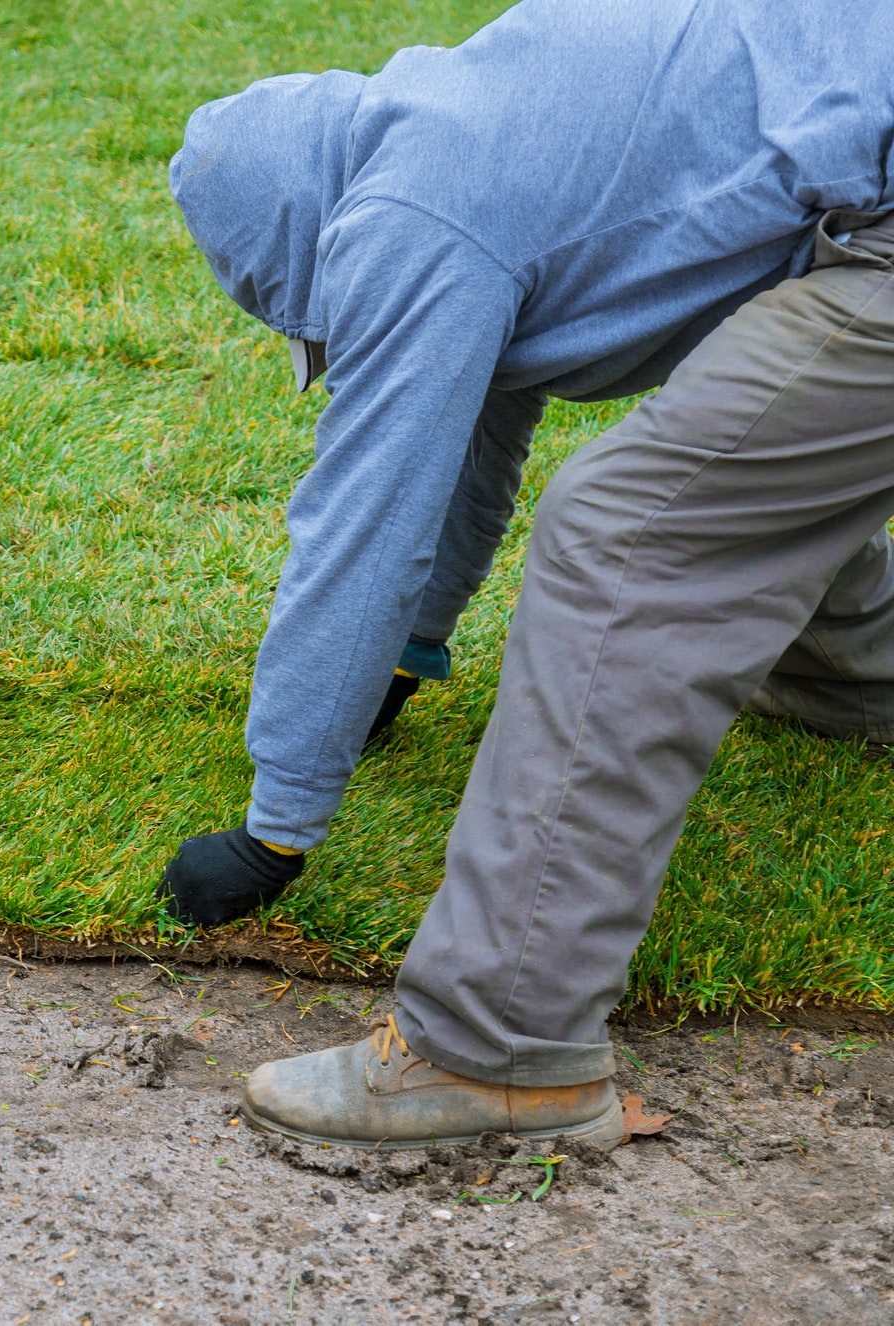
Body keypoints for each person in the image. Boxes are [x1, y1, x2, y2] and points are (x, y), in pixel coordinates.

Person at [161, 0, 894, 1149]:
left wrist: (276, 825)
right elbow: (468, 444)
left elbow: (367, 519)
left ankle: (499, 1051)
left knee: (628, 534)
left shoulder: (410, 218)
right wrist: (404, 655)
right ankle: (868, 689)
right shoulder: (462, 127)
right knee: (738, 456)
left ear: (307, 242)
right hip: (860, 186)